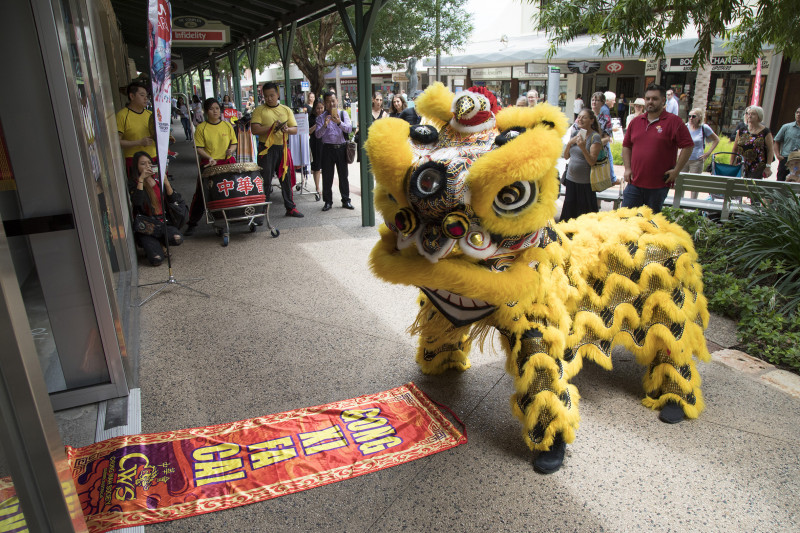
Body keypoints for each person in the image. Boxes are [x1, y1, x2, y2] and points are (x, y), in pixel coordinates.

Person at [622, 83, 693, 213]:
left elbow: (688, 146)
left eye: (655, 99)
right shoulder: (636, 122)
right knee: (625, 219)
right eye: (648, 98)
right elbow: (626, 146)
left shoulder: (674, 122)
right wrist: (627, 168)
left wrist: (676, 170)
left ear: (663, 100)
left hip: (658, 186)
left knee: (651, 222)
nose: (650, 101)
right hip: (634, 183)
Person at [185, 98, 238, 235]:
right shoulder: (201, 128)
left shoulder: (227, 126)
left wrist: (231, 150)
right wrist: (209, 157)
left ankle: (232, 217)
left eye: (217, 108)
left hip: (226, 163)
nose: (215, 111)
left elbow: (234, 143)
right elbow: (199, 148)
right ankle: (192, 222)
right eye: (211, 109)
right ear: (205, 111)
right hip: (209, 164)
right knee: (202, 194)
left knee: (230, 191)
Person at [251, 82, 304, 218]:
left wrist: (287, 129)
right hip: (266, 149)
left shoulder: (286, 110)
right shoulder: (259, 110)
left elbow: (295, 129)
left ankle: (290, 208)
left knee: (286, 179)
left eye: (272, 95)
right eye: (266, 96)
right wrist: (271, 128)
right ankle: (262, 209)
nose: (269, 98)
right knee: (265, 180)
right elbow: (254, 129)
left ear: (277, 94)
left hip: (282, 148)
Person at [129, 151, 182, 266]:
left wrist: (166, 182)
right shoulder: (134, 183)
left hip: (162, 222)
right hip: (147, 226)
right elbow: (137, 203)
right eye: (143, 164)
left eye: (149, 163)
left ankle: (161, 242)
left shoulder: (157, 179)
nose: (147, 166)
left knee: (177, 238)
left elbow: (174, 199)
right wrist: (141, 179)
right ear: (136, 167)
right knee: (156, 259)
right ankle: (154, 245)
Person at [561, 108, 606, 221]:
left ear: (591, 120)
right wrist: (569, 143)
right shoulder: (575, 133)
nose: (580, 119)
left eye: (584, 117)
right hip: (571, 180)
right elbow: (566, 156)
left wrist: (583, 147)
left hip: (585, 184)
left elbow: (592, 161)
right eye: (579, 117)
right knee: (569, 214)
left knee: (584, 216)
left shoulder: (595, 137)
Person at [315, 91, 354, 211]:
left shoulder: (342, 114)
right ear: (325, 103)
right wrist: (325, 125)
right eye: (328, 102)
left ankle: (346, 200)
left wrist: (339, 122)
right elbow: (317, 135)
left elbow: (349, 129)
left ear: (337, 100)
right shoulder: (321, 117)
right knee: (327, 176)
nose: (331, 104)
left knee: (343, 176)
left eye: (333, 101)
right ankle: (328, 201)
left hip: (341, 148)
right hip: (327, 149)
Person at [116, 82, 156, 174]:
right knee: (139, 183)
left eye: (146, 96)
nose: (146, 98)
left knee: (156, 182)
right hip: (134, 161)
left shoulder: (151, 115)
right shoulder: (122, 116)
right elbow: (117, 142)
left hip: (153, 158)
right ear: (132, 96)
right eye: (142, 95)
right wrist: (139, 142)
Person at [734, 105, 774, 179]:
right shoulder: (741, 130)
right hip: (741, 164)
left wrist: (768, 166)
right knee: (739, 185)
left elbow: (770, 150)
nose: (750, 116)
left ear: (759, 116)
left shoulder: (765, 132)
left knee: (751, 185)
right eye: (749, 114)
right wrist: (731, 164)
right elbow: (735, 148)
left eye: (753, 114)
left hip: (757, 166)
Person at [772, 106, 800, 182]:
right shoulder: (786, 127)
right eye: (797, 112)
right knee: (781, 181)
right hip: (786, 159)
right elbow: (776, 141)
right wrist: (778, 155)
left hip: (799, 159)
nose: (798, 114)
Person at [308, 99, 325, 198]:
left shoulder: (327, 116)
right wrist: (317, 124)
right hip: (315, 143)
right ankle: (317, 187)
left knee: (326, 166)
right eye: (318, 108)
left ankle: (326, 187)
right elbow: (309, 131)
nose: (320, 110)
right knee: (317, 165)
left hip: (325, 142)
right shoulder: (311, 118)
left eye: (321, 108)